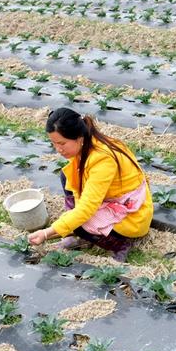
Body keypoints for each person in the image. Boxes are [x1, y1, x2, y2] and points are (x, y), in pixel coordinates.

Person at [27, 108, 153, 261]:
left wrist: (47, 233)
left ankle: (119, 244)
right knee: (67, 176)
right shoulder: (87, 145)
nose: (58, 149)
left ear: (79, 138)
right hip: (114, 199)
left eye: (62, 143)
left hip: (133, 213)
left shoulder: (103, 159)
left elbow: (85, 210)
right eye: (53, 143)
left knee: (81, 222)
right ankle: (84, 235)